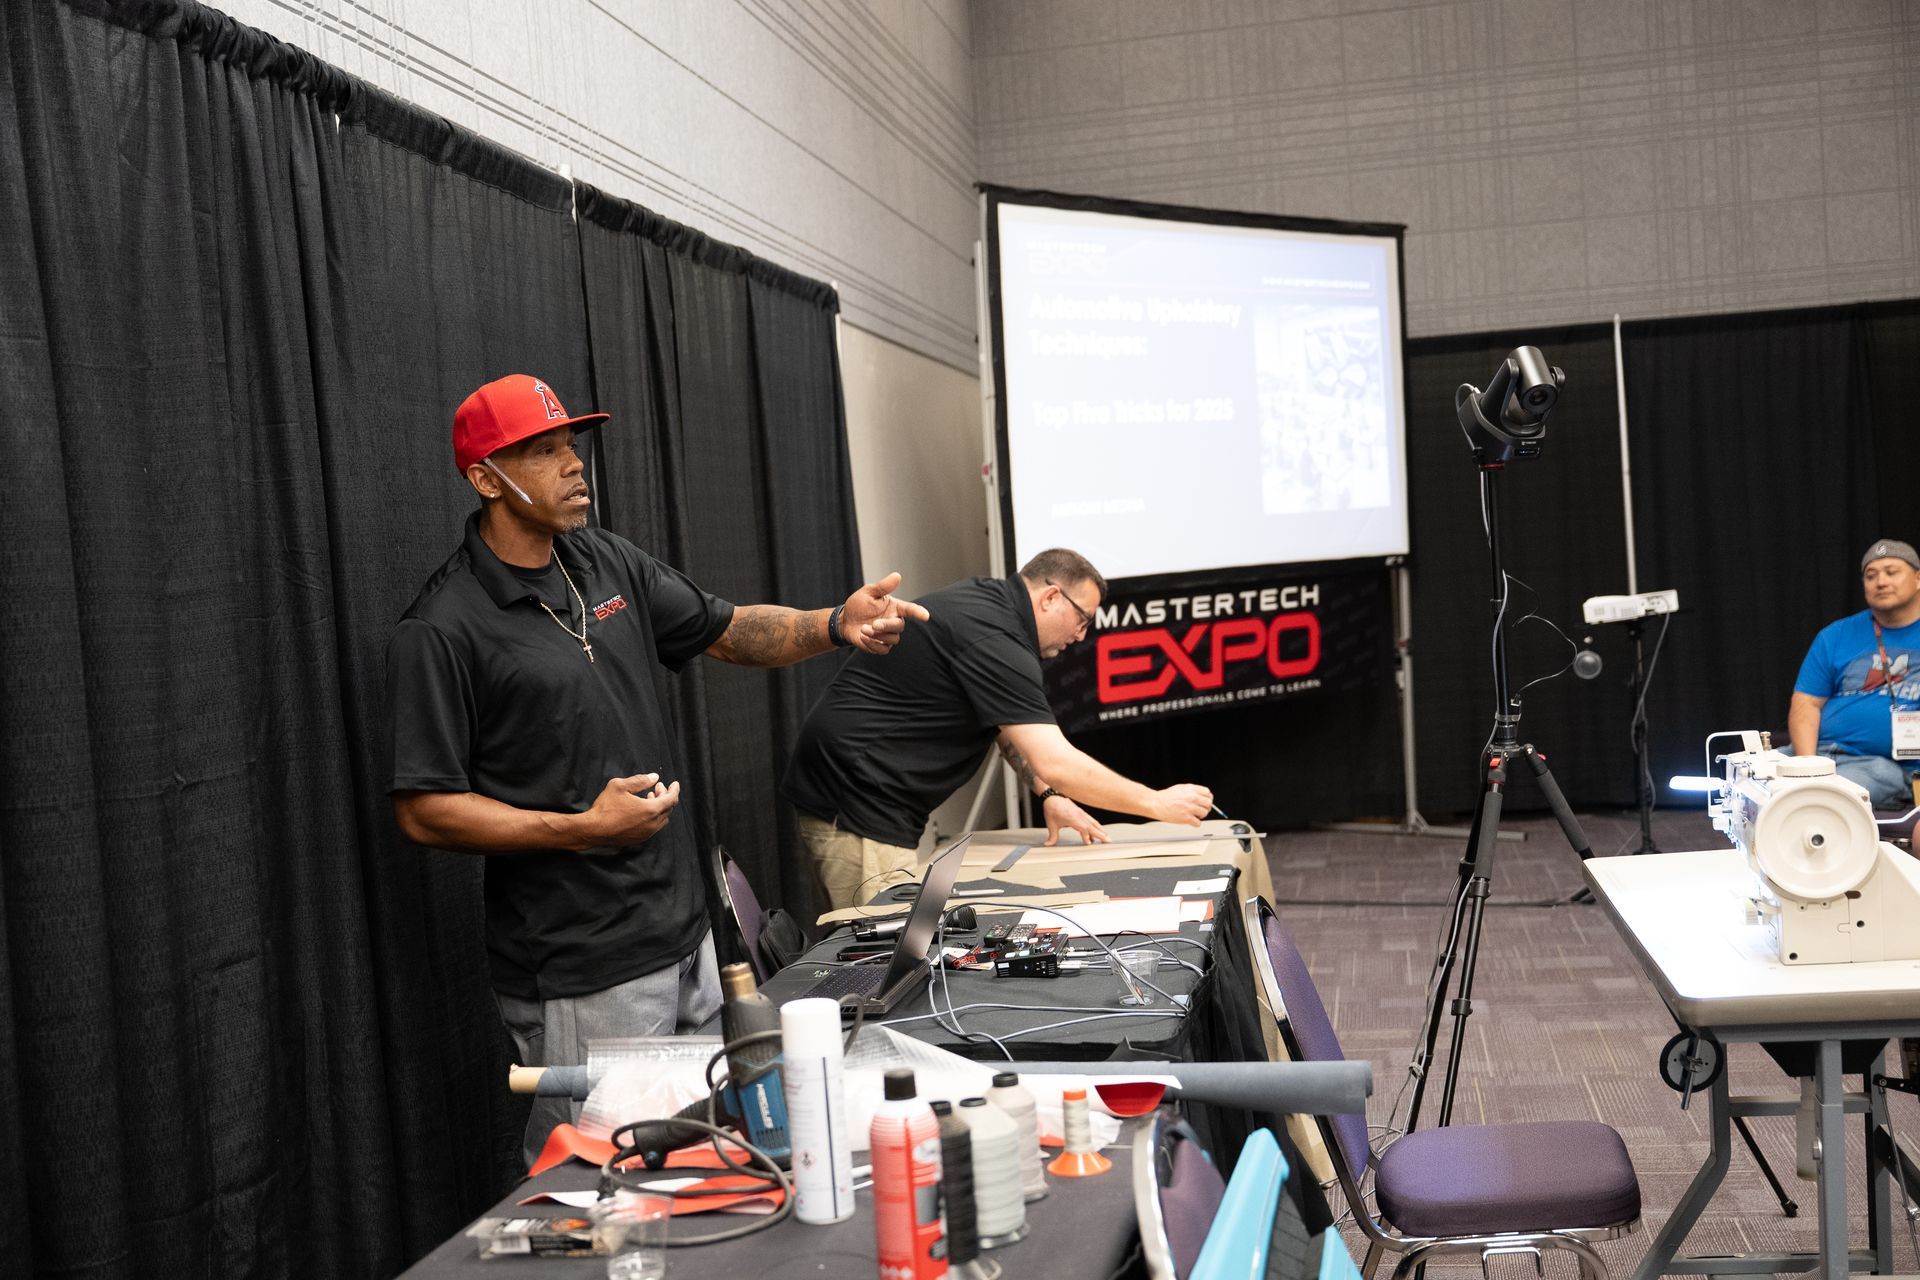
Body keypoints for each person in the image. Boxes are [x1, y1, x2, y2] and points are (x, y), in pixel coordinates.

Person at [386, 373, 928, 1158]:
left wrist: (835, 623)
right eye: (543, 453)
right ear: (484, 479)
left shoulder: (602, 559)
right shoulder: (440, 628)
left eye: (571, 446)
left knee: (712, 1156)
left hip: (687, 936)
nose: (574, 466)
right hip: (584, 965)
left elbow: (729, 628)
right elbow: (423, 808)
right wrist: (581, 829)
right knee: (602, 1177)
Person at [782, 548, 1215, 909]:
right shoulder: (996, 636)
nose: (1082, 636)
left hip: (864, 799)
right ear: (1051, 598)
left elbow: (1010, 731)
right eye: (1083, 620)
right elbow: (1056, 759)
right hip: (856, 804)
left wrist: (1049, 794)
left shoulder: (991, 608)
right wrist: (1156, 803)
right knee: (884, 957)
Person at [1789, 538, 1920, 809]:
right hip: (1817, 757)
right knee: (1754, 780)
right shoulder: (1836, 635)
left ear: (1917, 579)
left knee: (1825, 797)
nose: (1880, 582)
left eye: (1891, 572)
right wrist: (1808, 769)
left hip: (1883, 766)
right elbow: (1806, 705)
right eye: (1871, 576)